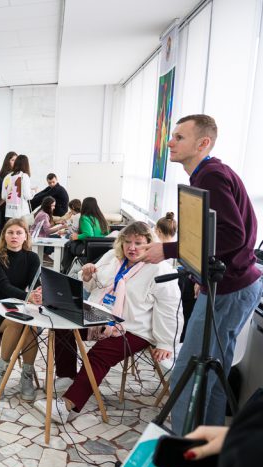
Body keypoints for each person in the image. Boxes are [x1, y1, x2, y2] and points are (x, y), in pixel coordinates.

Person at [139, 114, 262, 433]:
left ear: (203, 143)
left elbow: (232, 235)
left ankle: (185, 449)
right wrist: (198, 275)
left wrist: (168, 250)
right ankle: (204, 443)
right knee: (213, 373)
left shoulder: (211, 175)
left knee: (189, 372)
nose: (170, 142)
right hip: (234, 284)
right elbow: (216, 234)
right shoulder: (209, 174)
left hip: (230, 290)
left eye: (179, 137)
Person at [35, 221, 182, 423]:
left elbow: (170, 309)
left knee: (99, 354)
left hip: (134, 328)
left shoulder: (160, 269)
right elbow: (94, 285)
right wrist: (87, 276)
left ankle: (68, 405)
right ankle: (68, 377)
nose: (131, 247)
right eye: (127, 242)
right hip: (100, 315)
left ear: (149, 243)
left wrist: (165, 342)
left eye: (138, 243)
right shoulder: (113, 257)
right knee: (63, 326)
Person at [0, 219, 42, 400]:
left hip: (19, 306)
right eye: (10, 232)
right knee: (17, 323)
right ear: (4, 236)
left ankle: (26, 376)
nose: (14, 236)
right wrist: (28, 297)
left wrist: (39, 294)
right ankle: (0, 369)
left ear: (25, 237)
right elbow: (4, 286)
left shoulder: (32, 258)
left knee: (31, 325)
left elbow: (36, 284)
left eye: (19, 233)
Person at [60, 197, 109, 274]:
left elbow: (89, 235)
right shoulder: (101, 218)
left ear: (84, 206)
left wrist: (77, 237)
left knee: (68, 245)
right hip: (103, 249)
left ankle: (64, 271)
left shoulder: (84, 218)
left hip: (89, 248)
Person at [1, 154, 34, 223]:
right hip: (21, 214)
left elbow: (3, 196)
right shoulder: (24, 176)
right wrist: (33, 192)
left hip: (9, 213)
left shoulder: (7, 177)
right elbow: (27, 196)